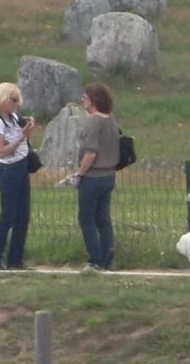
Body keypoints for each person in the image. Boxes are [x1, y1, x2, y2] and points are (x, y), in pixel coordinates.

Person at [0, 82, 36, 271]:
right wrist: (22, 137)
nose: (16, 104)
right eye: (12, 100)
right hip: (7, 170)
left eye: (17, 100)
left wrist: (27, 130)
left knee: (23, 216)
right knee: (8, 216)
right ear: (2, 100)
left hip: (21, 167)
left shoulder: (13, 117)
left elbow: (20, 139)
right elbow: (2, 150)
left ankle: (16, 259)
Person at [68, 81, 122, 270]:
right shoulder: (111, 120)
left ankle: (95, 258)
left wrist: (79, 174)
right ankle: (108, 255)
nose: (83, 99)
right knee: (103, 218)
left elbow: (91, 152)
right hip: (109, 175)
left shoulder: (93, 121)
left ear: (94, 100)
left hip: (93, 176)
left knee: (87, 219)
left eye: (86, 96)